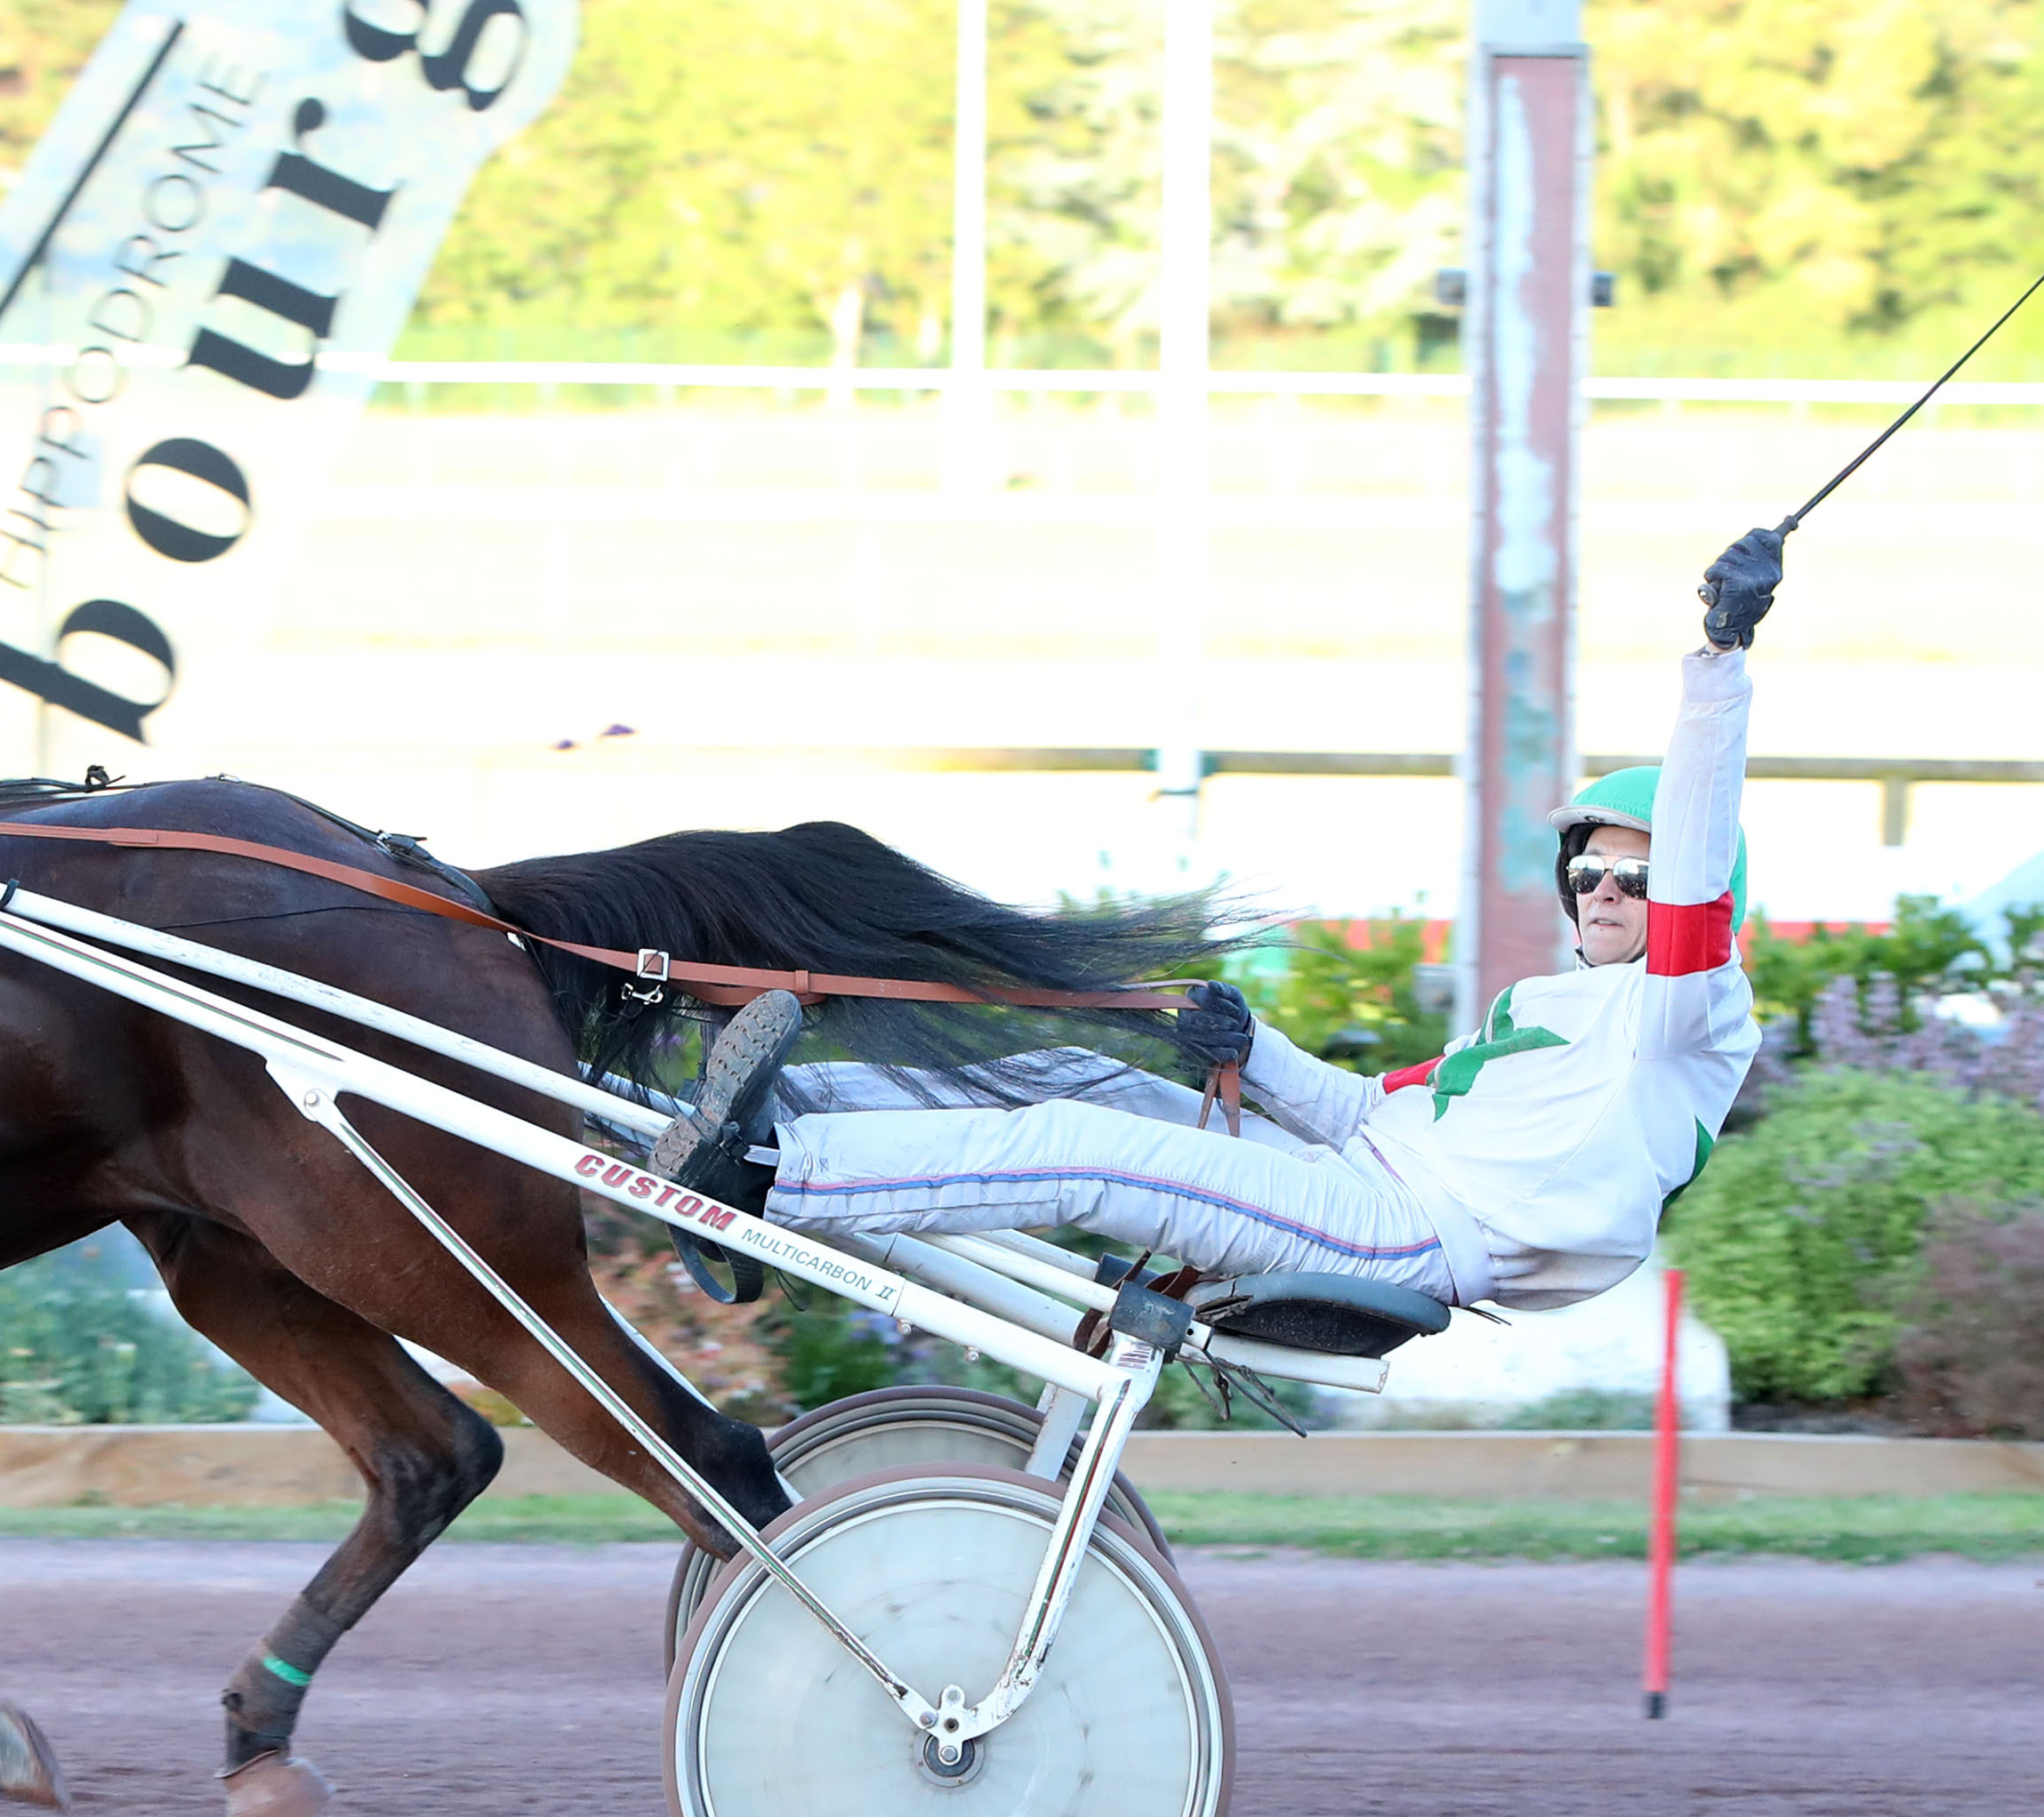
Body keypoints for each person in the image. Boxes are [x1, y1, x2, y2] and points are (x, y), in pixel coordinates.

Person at [650, 528, 1786, 1315]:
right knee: (1070, 1079)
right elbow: (1356, 1111)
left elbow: (1692, 876)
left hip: (1412, 1237)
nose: (1601, 889)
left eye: (1631, 880)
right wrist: (1252, 1051)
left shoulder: (1686, 1012)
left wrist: (1719, 669)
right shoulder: (1538, 1010)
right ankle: (748, 1109)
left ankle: (757, 1178)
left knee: (1085, 1153)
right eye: (1587, 867)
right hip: (1355, 1176)